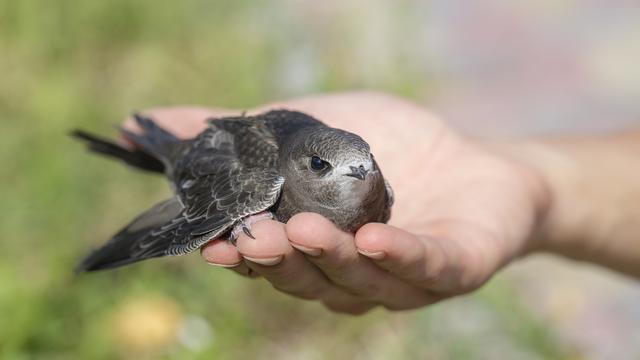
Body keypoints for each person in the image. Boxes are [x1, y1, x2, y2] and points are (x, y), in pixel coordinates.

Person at [125, 92, 640, 314]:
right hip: (219, 156)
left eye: (366, 161)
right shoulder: (262, 181)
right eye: (330, 168)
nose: (362, 174)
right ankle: (153, 145)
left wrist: (537, 186)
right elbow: (222, 188)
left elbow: (354, 168)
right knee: (216, 218)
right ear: (305, 167)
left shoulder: (374, 185)